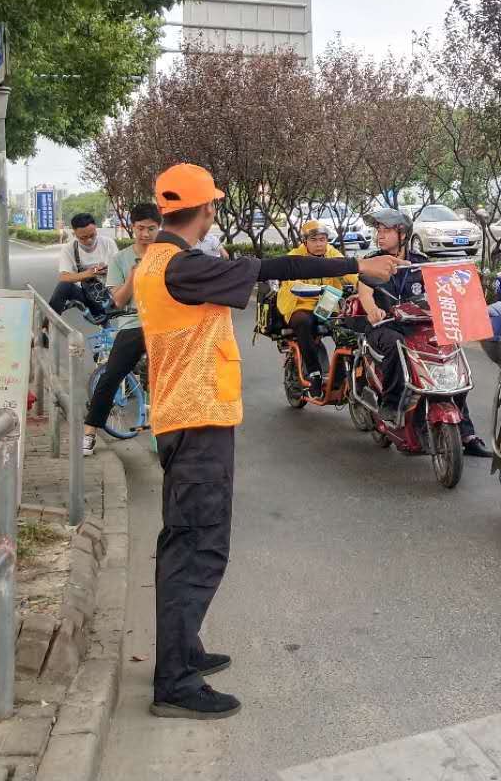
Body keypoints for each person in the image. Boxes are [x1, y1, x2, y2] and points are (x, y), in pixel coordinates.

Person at [135, 163, 402, 720]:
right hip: (196, 420)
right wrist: (356, 264)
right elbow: (276, 266)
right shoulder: (182, 266)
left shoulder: (161, 260)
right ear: (207, 209)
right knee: (198, 546)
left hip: (188, 416)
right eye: (214, 205)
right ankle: (175, 682)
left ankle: (184, 649)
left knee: (185, 540)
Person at [357, 207, 489, 457]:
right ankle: (391, 403)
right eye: (378, 230)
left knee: (450, 355)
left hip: (418, 326)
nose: (380, 235)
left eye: (386, 230)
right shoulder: (372, 261)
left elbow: (441, 289)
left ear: (403, 234)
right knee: (395, 344)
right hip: (385, 327)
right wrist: (373, 310)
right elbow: (365, 292)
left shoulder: (421, 263)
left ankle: (466, 433)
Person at [81, 203, 161, 456]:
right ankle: (90, 432)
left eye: (151, 229)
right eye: (140, 228)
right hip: (133, 323)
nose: (145, 234)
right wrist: (133, 278)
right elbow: (117, 300)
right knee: (111, 375)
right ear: (132, 228)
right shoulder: (120, 259)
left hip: (164, 324)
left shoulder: (168, 255)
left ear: (159, 228)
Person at [277, 220, 357, 396]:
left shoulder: (332, 253)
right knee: (303, 323)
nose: (319, 244)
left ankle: (340, 373)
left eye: (323, 239)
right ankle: (315, 374)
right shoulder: (294, 257)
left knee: (346, 328)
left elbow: (350, 271)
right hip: (300, 303)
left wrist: (364, 285)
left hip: (326, 303)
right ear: (305, 241)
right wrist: (317, 289)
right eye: (314, 240)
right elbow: (293, 284)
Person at [49, 212, 119, 319]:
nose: (89, 240)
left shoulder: (108, 243)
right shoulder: (68, 249)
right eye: (83, 237)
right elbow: (64, 277)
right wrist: (89, 273)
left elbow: (121, 270)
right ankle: (48, 324)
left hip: (111, 296)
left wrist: (108, 270)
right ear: (74, 234)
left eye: (92, 235)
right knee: (63, 287)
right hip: (87, 297)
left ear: (96, 229)